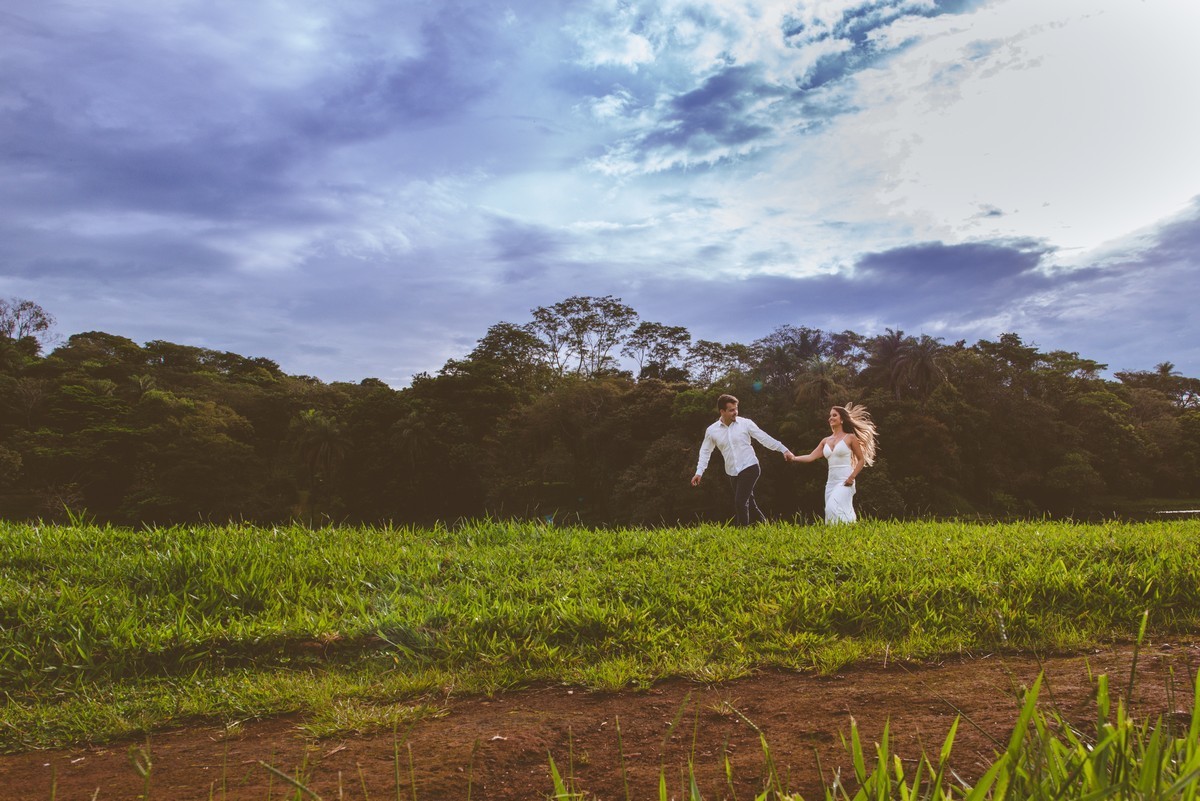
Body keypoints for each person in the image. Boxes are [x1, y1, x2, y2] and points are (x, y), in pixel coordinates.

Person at [691, 394, 794, 526]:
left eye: (736, 409)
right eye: (731, 410)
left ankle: (742, 533)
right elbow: (705, 451)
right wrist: (699, 472)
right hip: (732, 472)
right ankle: (766, 528)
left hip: (750, 467)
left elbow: (764, 438)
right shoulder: (712, 431)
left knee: (740, 502)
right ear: (722, 412)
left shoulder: (746, 424)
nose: (735, 412)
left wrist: (783, 449)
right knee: (749, 503)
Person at [789, 403, 878, 523]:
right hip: (831, 482)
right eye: (830, 415)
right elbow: (810, 457)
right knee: (831, 513)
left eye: (834, 415)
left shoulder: (850, 437)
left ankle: (847, 530)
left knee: (832, 507)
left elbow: (861, 460)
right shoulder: (825, 440)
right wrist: (794, 458)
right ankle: (843, 535)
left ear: (842, 420)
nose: (830, 418)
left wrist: (851, 477)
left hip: (845, 480)